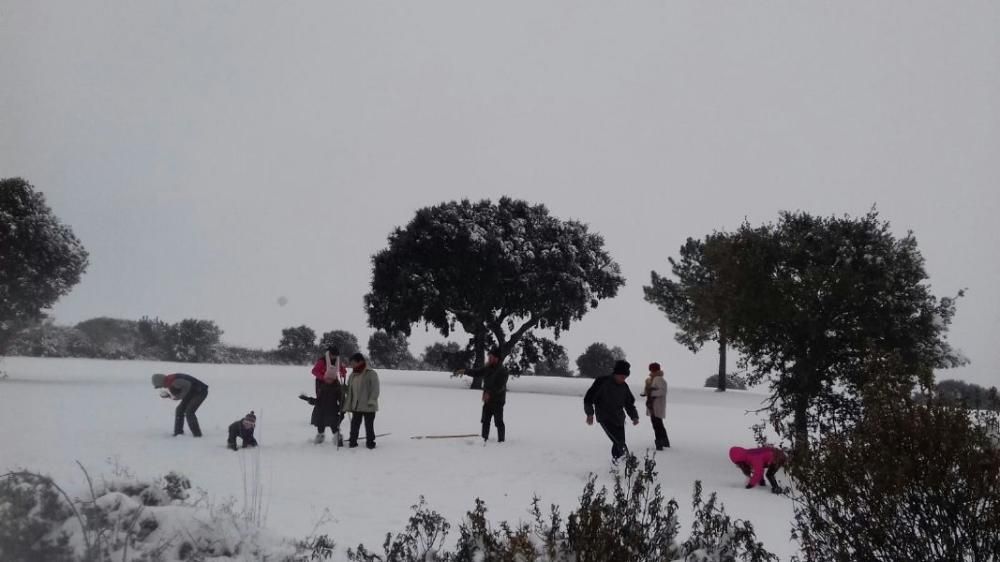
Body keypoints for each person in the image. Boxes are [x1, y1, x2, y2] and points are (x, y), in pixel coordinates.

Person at [584, 360, 640, 461]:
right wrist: (590, 414)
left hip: (619, 418)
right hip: (605, 417)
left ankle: (617, 464)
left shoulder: (624, 386)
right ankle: (627, 462)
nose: (623, 379)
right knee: (619, 442)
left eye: (625, 377)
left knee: (618, 442)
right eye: (622, 377)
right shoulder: (602, 382)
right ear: (616, 374)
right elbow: (588, 398)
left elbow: (629, 404)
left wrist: (634, 416)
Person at [455, 347, 509, 443]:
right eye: (488, 357)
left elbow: (500, 387)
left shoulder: (502, 371)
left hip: (498, 401)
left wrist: (489, 393)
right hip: (487, 400)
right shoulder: (488, 368)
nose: (488, 359)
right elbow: (477, 372)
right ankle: (484, 439)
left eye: (491, 357)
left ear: (496, 358)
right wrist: (465, 371)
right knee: (485, 421)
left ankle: (501, 441)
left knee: (498, 422)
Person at [152, 373, 209, 437]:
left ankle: (197, 435)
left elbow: (186, 389)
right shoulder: (170, 382)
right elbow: (181, 394)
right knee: (179, 410)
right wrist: (169, 396)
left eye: (159, 386)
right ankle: (178, 433)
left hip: (200, 391)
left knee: (189, 412)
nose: (160, 387)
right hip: (193, 392)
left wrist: (172, 396)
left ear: (160, 381)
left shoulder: (174, 381)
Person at [342, 352, 380, 449]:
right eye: (351, 363)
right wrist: (344, 388)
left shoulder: (371, 373)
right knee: (354, 425)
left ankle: (370, 443)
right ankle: (353, 441)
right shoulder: (353, 375)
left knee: (369, 426)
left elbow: (375, 389)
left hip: (368, 405)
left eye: (353, 362)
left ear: (360, 361)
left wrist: (372, 400)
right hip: (356, 405)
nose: (351, 365)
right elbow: (351, 390)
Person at [299, 373, 345, 446]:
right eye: (326, 378)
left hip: (332, 411)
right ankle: (320, 437)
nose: (327, 380)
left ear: (334, 379)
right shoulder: (322, 387)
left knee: (333, 426)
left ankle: (338, 438)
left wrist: (342, 412)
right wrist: (308, 399)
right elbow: (318, 401)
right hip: (320, 410)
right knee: (320, 425)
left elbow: (342, 401)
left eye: (330, 379)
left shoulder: (337, 388)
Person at [644, 362, 670, 450]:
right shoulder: (651, 379)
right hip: (653, 405)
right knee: (658, 424)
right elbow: (648, 390)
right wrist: (646, 392)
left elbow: (662, 391)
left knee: (657, 425)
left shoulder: (658, 379)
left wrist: (650, 393)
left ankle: (660, 443)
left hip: (656, 406)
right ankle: (664, 442)